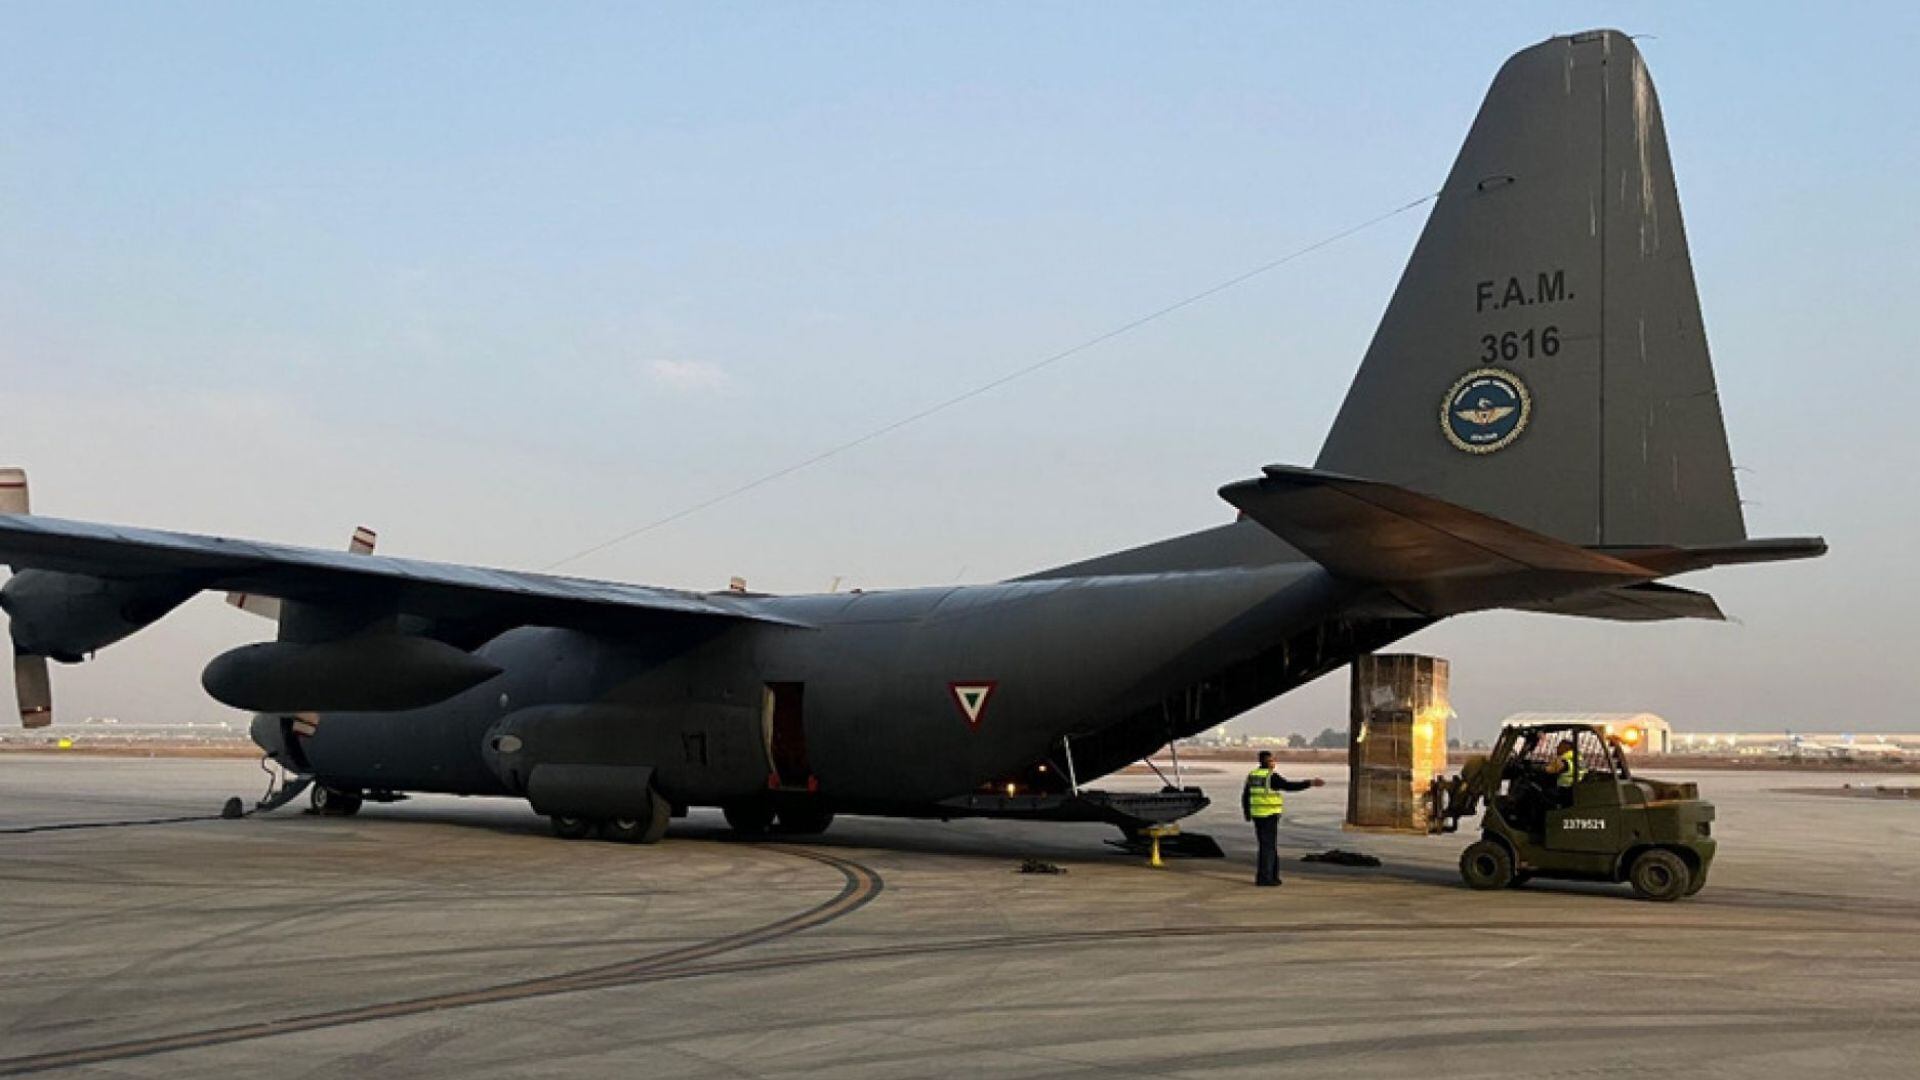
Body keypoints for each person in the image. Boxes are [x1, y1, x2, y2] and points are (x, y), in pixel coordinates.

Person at [1242, 750, 1324, 887]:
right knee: (1268, 848)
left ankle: (1272, 877)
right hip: (1269, 815)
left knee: (1266, 846)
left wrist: (1247, 813)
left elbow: (1245, 796)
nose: (1274, 763)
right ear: (1267, 762)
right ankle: (1265, 878)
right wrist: (1309, 783)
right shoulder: (1271, 777)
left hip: (1257, 815)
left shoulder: (1253, 775)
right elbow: (1289, 786)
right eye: (1272, 760)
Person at [1543, 737, 1586, 805]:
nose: (1557, 747)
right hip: (1576, 791)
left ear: (1567, 747)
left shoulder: (1566, 759)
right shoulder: (1577, 758)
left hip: (1565, 792)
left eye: (1560, 746)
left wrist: (1541, 768)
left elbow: (1551, 769)